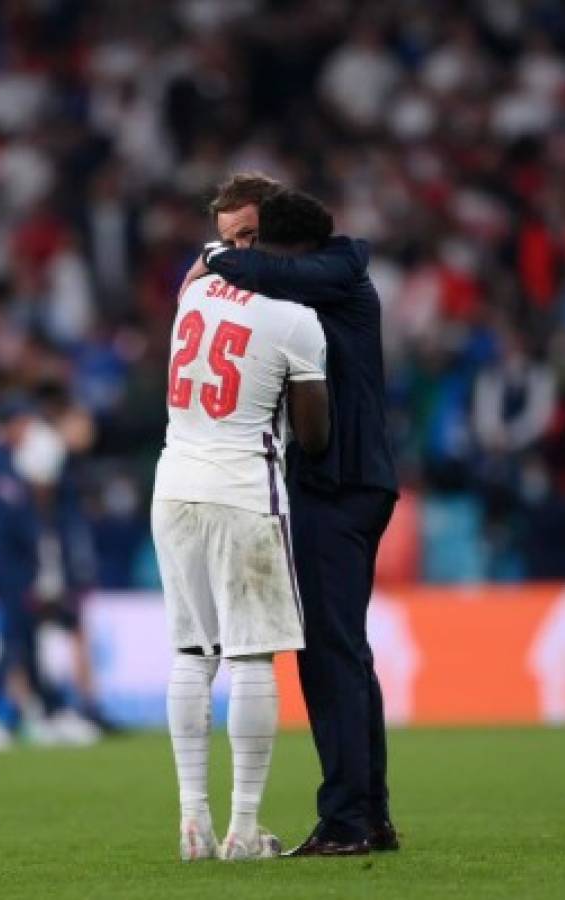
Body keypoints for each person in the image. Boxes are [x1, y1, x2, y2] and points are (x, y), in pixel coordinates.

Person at [184, 176, 400, 856]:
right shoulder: (322, 281)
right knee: (345, 653)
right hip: (343, 484)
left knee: (328, 655)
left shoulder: (337, 268)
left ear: (291, 245)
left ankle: (345, 822)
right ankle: (369, 815)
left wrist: (214, 258)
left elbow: (248, 270)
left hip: (336, 485)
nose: (254, 258)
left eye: (257, 242)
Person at [151, 199, 330, 861]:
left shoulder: (191, 298)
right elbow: (313, 434)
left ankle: (192, 823)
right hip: (241, 490)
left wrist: (211, 252)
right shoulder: (294, 319)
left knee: (192, 655)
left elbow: (197, 275)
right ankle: (242, 829)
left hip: (172, 486)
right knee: (252, 657)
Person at [0, 398, 101, 749]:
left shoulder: (32, 461)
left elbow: (48, 515)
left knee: (27, 640)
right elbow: (8, 523)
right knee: (16, 638)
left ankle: (49, 711)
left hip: (34, 564)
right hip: (8, 567)